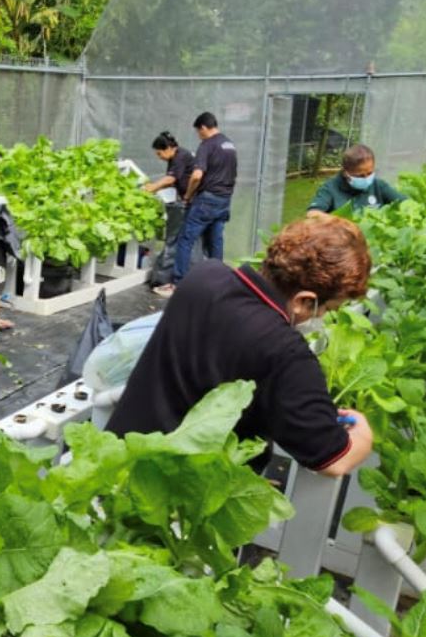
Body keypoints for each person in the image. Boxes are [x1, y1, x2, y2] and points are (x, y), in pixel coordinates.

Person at [109, 215, 375, 477]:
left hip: (118, 460)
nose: (321, 317)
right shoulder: (286, 351)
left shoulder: (204, 276)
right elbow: (333, 460)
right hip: (179, 499)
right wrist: (363, 435)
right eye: (326, 308)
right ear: (303, 301)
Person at [157, 111, 238, 297]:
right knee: (216, 241)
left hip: (207, 199)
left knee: (185, 239)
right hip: (224, 199)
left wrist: (188, 195)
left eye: (198, 132)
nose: (198, 135)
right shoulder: (229, 144)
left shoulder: (207, 145)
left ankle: (178, 284)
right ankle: (219, 282)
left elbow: (197, 175)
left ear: (203, 128)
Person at [143, 131, 195, 288]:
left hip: (190, 201)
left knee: (175, 239)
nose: (159, 157)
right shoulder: (177, 157)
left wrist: (152, 187)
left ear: (168, 148)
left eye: (159, 153)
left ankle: (166, 279)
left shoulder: (180, 156)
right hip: (187, 200)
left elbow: (171, 179)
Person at [307, 143, 407, 216]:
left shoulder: (378, 185)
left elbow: (407, 204)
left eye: (370, 173)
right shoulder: (330, 188)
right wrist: (342, 224)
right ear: (346, 173)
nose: (367, 178)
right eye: (360, 176)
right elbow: (313, 214)